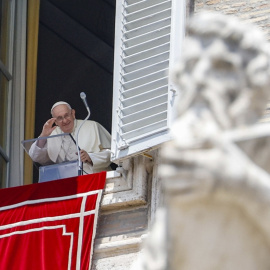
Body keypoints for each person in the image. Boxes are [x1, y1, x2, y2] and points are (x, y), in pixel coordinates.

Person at [29, 101, 112, 174]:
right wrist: (43, 135)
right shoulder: (52, 134)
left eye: (66, 115)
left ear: (73, 114)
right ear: (56, 122)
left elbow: (112, 154)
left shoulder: (92, 126)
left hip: (95, 180)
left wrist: (90, 157)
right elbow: (35, 156)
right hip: (67, 184)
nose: (65, 121)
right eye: (59, 118)